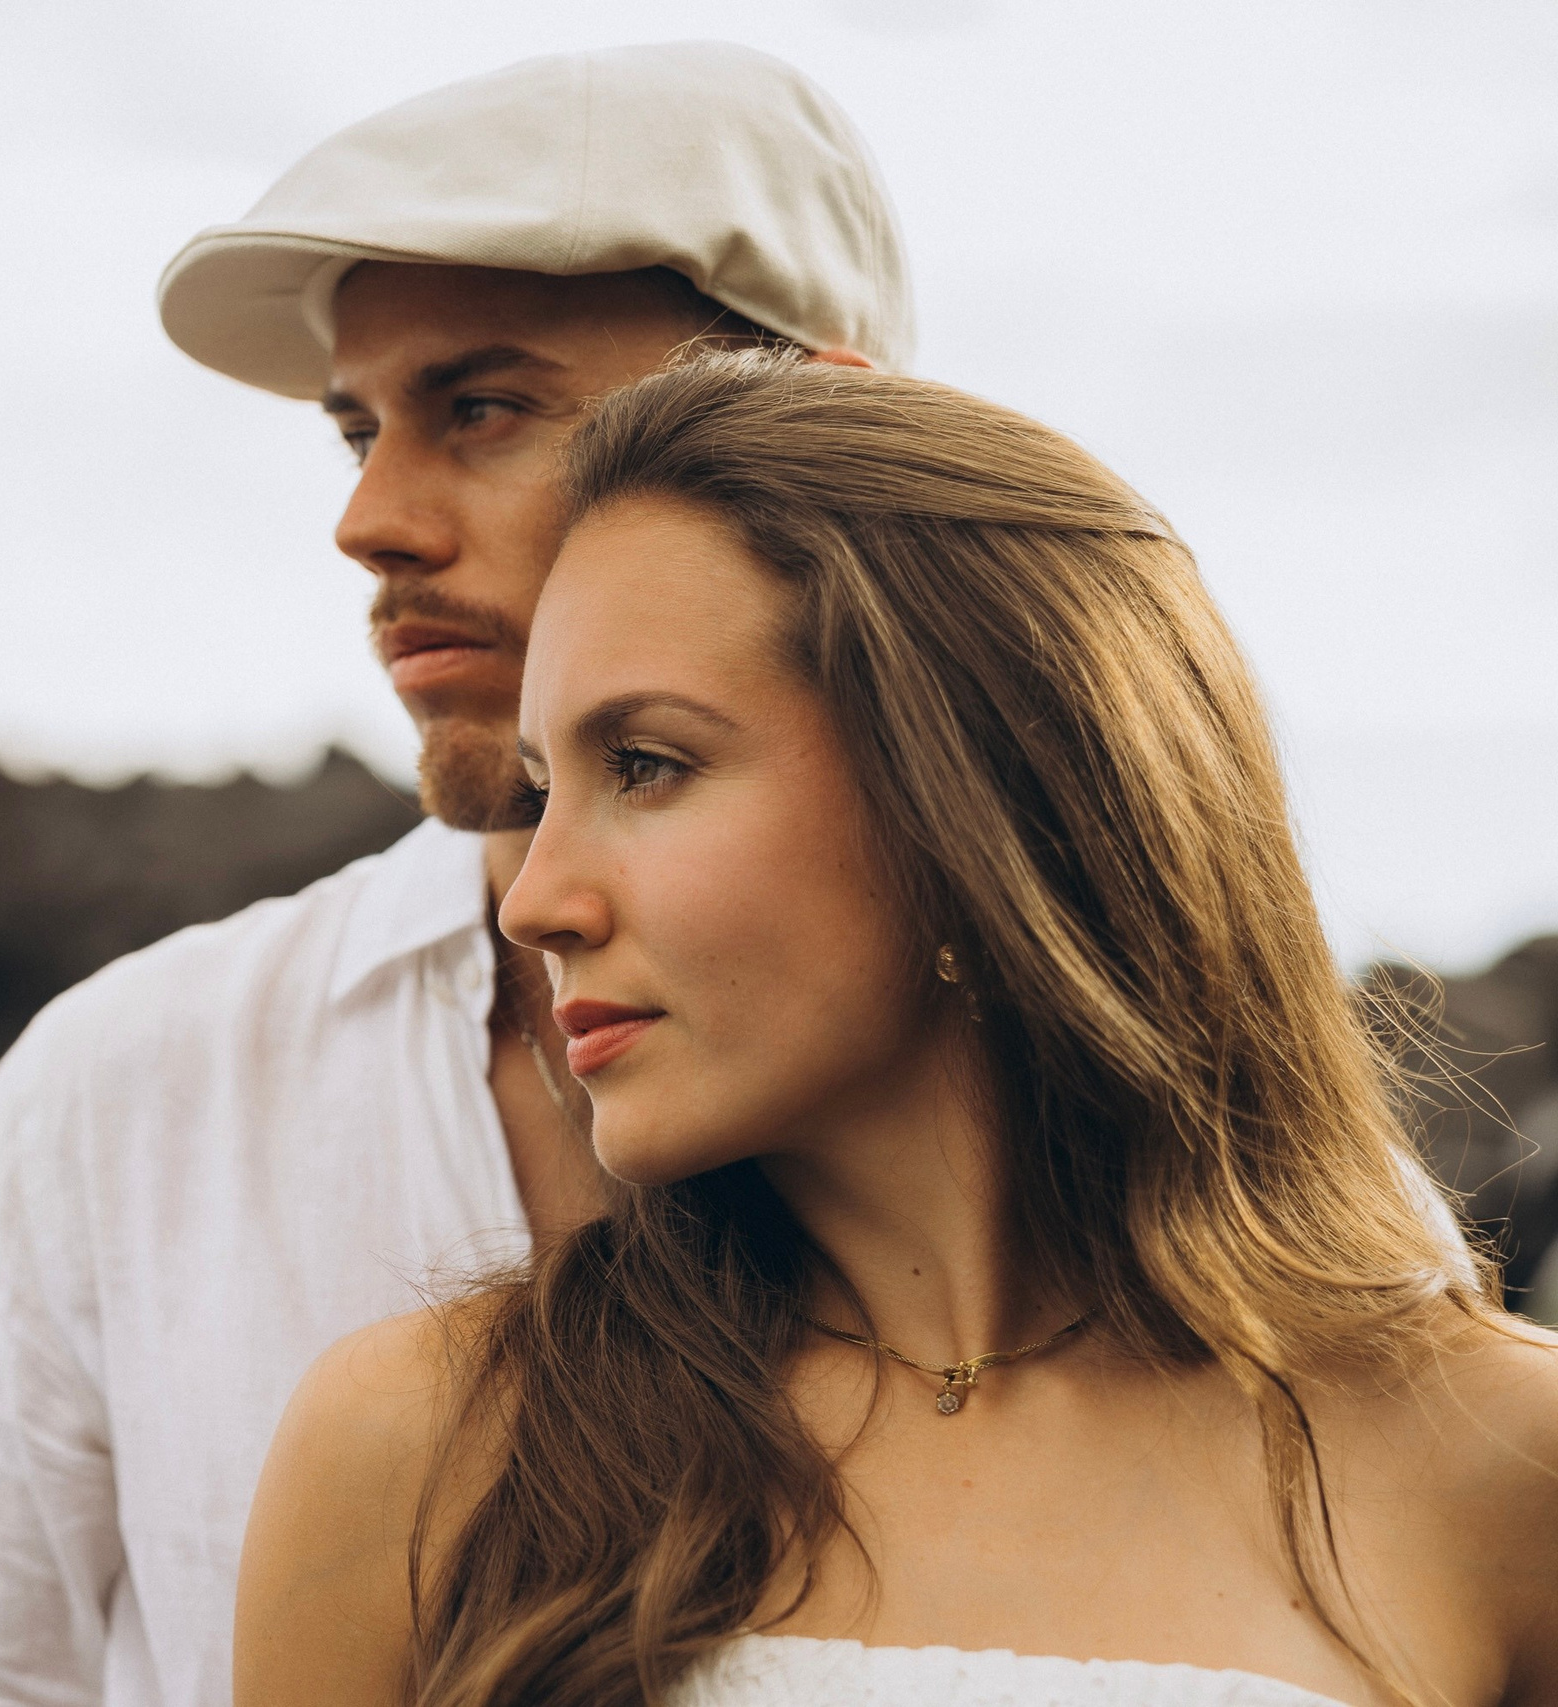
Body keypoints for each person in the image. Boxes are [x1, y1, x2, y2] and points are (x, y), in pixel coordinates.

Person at [0, 43, 910, 1707]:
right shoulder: (126, 1102)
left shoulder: (1159, 1134)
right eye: (355, 433)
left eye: (485, 407)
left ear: (819, 432)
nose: (373, 521)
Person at [234, 350, 1558, 1707]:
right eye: (539, 784)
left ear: (981, 798)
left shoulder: (1507, 1466)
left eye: (645, 765)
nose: (539, 903)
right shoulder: (430, 1447)